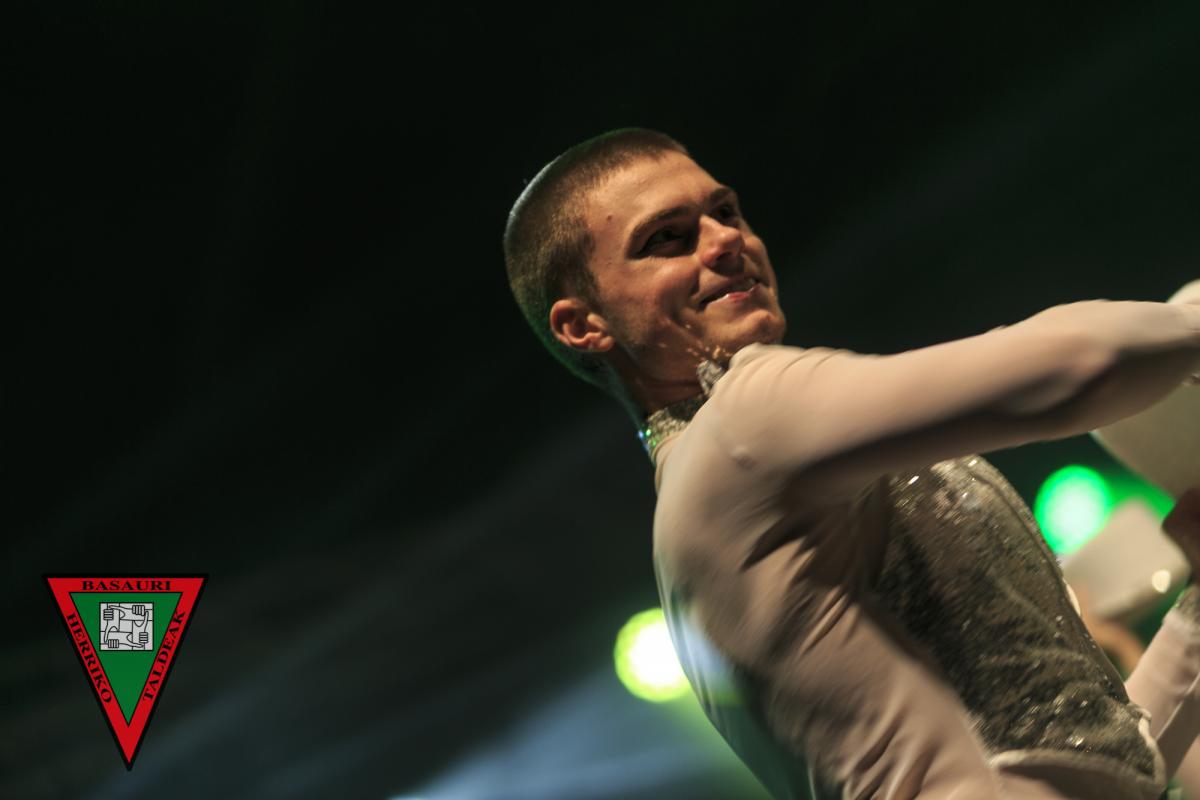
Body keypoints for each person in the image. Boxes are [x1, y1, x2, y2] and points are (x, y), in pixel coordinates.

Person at [503, 127, 1200, 799]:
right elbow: (1087, 363)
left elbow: (1097, 766)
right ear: (584, 325)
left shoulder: (730, 473)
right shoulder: (743, 426)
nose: (725, 241)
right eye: (666, 238)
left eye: (726, 212)